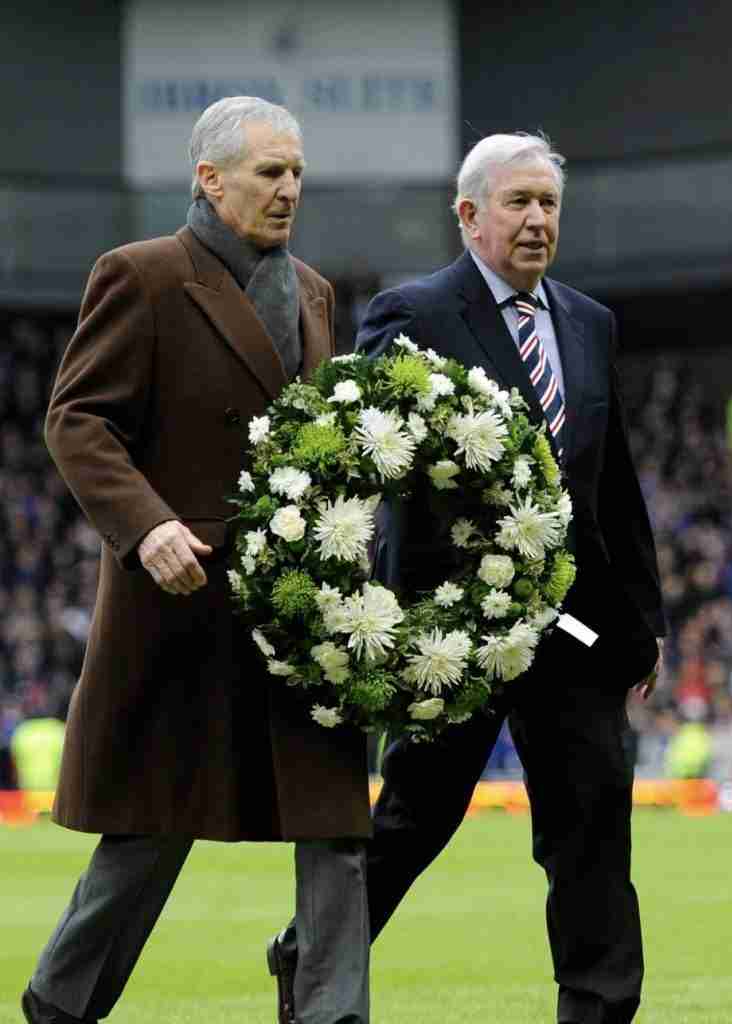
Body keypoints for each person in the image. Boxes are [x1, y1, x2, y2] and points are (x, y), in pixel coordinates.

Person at [268, 133, 667, 1024]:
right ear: (468, 214)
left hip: (575, 626)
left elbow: (612, 483)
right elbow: (367, 450)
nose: (536, 220)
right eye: (517, 202)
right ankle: (310, 956)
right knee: (415, 818)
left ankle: (599, 1009)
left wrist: (645, 618)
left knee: (592, 826)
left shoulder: (589, 322)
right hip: (453, 623)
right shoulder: (412, 311)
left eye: (548, 203)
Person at [22, 96, 371, 1024]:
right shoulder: (141, 274)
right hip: (181, 599)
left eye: (297, 172)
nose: (289, 188)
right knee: (149, 831)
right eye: (270, 171)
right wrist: (145, 527)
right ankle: (60, 1007)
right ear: (210, 179)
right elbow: (77, 420)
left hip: (298, 604)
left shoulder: (313, 291)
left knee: (335, 825)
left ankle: (332, 1016)